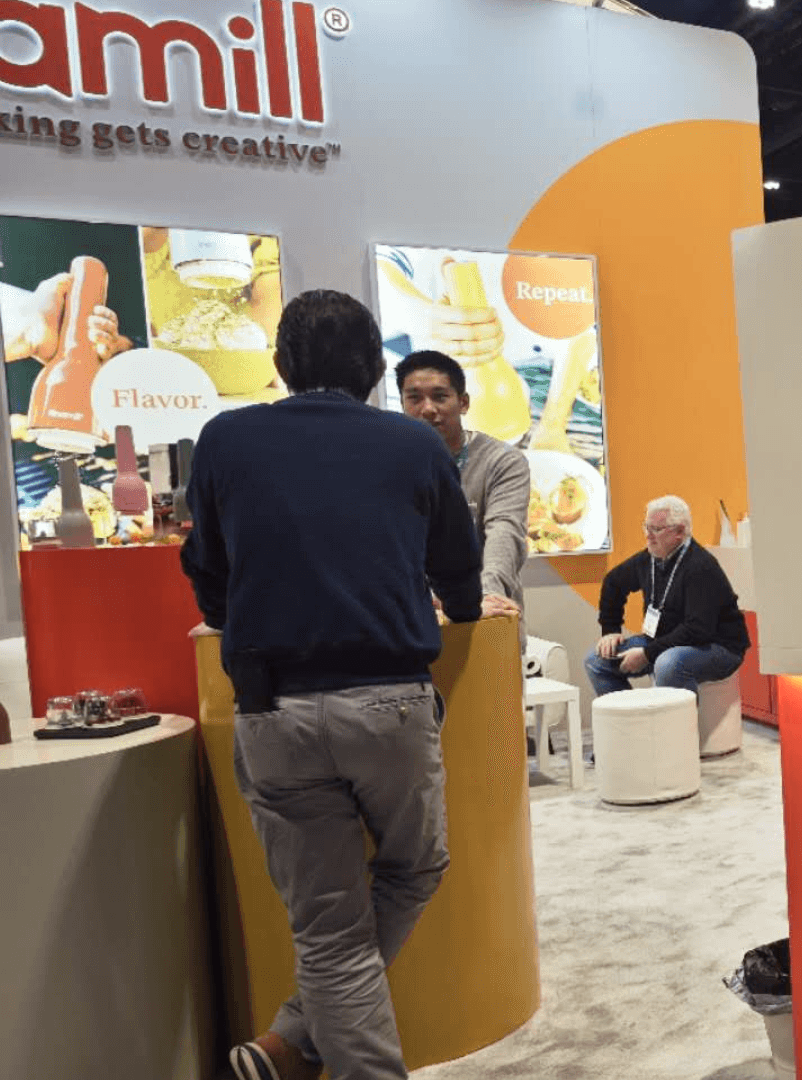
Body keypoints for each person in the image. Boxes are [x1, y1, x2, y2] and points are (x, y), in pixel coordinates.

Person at [180, 290, 484, 1080]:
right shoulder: (414, 445)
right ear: (377, 368)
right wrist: (467, 607)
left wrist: (229, 609)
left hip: (270, 704)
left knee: (329, 932)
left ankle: (294, 1039)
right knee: (415, 868)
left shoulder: (223, 439)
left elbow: (207, 569)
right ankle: (297, 1038)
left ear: (280, 366)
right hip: (388, 696)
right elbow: (458, 566)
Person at [395, 349, 529, 627]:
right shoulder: (392, 465)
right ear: (403, 404)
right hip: (417, 625)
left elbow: (504, 532)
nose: (428, 408)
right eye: (415, 398)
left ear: (463, 402)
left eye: (440, 396)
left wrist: (486, 596)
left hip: (488, 619)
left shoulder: (502, 461)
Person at [586, 494, 750, 697]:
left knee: (668, 664)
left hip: (718, 646)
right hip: (664, 641)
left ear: (680, 532)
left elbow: (698, 630)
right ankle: (636, 725)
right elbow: (613, 582)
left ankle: (676, 728)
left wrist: (647, 654)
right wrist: (610, 629)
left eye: (656, 529)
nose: (648, 535)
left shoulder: (700, 567)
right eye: (646, 527)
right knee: (596, 662)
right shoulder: (649, 558)